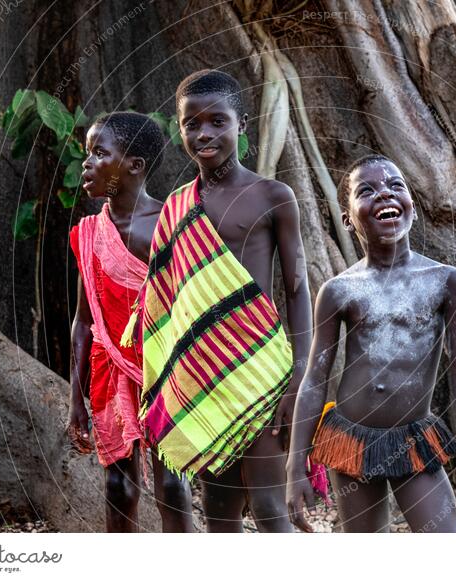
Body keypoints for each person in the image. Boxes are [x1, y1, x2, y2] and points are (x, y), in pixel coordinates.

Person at [136, 70, 312, 532]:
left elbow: (296, 289)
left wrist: (299, 376)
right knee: (219, 514)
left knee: (272, 510)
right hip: (202, 378)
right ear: (180, 130)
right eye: (192, 124)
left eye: (218, 121)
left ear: (243, 125)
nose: (204, 133)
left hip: (262, 373)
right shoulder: (175, 207)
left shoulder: (274, 197)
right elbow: (165, 303)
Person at [285, 155, 456, 533]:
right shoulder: (339, 291)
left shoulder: (445, 282)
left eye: (396, 186)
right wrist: (295, 465)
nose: (384, 194)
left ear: (412, 205)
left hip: (413, 438)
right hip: (351, 442)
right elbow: (315, 378)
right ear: (348, 219)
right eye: (367, 190)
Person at [66, 111, 194, 533]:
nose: (86, 164)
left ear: (135, 166)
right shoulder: (91, 232)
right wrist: (75, 403)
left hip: (166, 373)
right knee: (118, 486)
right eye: (87, 153)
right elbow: (85, 322)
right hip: (107, 373)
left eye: (99, 153)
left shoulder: (169, 225)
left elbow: (190, 309)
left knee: (172, 483)